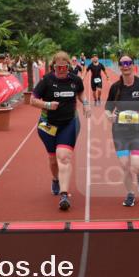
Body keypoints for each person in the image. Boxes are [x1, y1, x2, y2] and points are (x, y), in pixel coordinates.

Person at [30, 51, 89, 211]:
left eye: (64, 66)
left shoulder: (75, 80)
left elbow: (81, 92)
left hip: (69, 124)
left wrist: (85, 103)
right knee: (53, 159)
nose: (62, 69)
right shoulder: (47, 80)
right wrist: (48, 105)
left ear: (68, 66)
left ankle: (64, 195)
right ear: (53, 66)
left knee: (63, 157)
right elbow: (32, 100)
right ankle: (55, 179)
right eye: (58, 67)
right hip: (48, 125)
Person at [105, 55, 139, 207]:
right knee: (124, 165)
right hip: (120, 131)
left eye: (128, 63)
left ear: (133, 65)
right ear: (120, 66)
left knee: (137, 165)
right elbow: (107, 109)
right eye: (122, 63)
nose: (125, 66)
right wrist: (110, 117)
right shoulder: (115, 88)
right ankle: (130, 194)